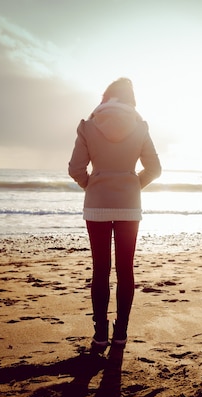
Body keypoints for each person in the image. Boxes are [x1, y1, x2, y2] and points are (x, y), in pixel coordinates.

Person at [69, 78, 161, 357]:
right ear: (130, 99)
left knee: (100, 269)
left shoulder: (88, 126)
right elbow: (154, 169)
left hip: (96, 206)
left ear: (106, 97)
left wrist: (92, 184)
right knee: (125, 269)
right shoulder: (140, 126)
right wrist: (133, 184)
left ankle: (100, 335)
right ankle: (120, 335)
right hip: (129, 206)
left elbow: (76, 168)